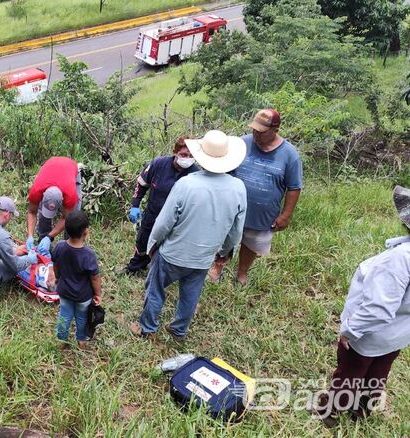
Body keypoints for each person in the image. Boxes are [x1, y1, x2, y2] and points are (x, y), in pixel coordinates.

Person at [129, 130, 247, 340]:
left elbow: (165, 222)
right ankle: (179, 329)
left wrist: (153, 244)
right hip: (204, 257)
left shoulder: (187, 183)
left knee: (155, 288)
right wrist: (224, 252)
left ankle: (147, 327)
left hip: (173, 252)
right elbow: (236, 230)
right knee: (190, 294)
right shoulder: (238, 188)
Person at [314, 185, 410, 427]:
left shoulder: (400, 259)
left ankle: (331, 411)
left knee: (350, 373)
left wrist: (351, 330)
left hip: (370, 334)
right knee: (378, 373)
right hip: (398, 334)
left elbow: (379, 308)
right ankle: (362, 410)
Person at [208, 108, 303, 285]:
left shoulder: (290, 155)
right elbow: (224, 171)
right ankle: (217, 267)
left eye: (261, 131)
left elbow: (294, 187)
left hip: (262, 214)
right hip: (232, 207)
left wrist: (286, 215)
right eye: (254, 130)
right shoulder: (241, 144)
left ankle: (242, 272)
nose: (256, 134)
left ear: (275, 130)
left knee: (252, 242)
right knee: (225, 237)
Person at [125, 136, 199, 275]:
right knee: (143, 242)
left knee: (167, 248)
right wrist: (135, 205)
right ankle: (135, 267)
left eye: (191, 156)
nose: (187, 158)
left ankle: (160, 273)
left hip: (177, 220)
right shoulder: (158, 164)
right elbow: (141, 184)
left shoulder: (196, 174)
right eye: (183, 155)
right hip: (153, 213)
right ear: (175, 152)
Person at [51, 210, 102, 348]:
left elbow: (55, 265)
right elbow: (95, 278)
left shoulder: (60, 246)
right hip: (83, 296)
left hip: (65, 292)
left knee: (64, 315)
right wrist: (97, 294)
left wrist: (57, 278)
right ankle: (81, 340)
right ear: (85, 232)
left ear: (66, 229)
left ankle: (61, 339)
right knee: (82, 318)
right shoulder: (88, 255)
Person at [26, 157, 82, 254]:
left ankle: (69, 246)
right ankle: (42, 240)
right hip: (50, 166)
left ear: (62, 200)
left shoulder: (70, 194)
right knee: (43, 215)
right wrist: (30, 236)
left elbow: (66, 218)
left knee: (73, 218)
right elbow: (31, 212)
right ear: (43, 195)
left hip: (70, 168)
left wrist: (50, 236)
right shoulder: (37, 189)